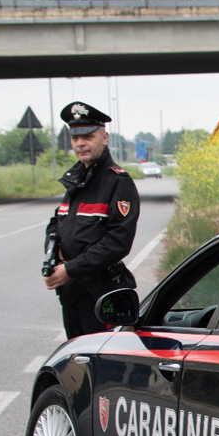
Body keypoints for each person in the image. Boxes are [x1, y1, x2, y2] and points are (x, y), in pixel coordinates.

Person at [43, 101, 138, 338]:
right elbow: (56, 223)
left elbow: (118, 242)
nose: (80, 143)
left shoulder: (118, 182)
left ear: (104, 138)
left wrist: (70, 269)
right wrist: (52, 254)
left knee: (101, 358)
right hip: (72, 292)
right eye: (75, 138)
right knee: (76, 357)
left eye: (88, 136)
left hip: (102, 294)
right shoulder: (76, 179)